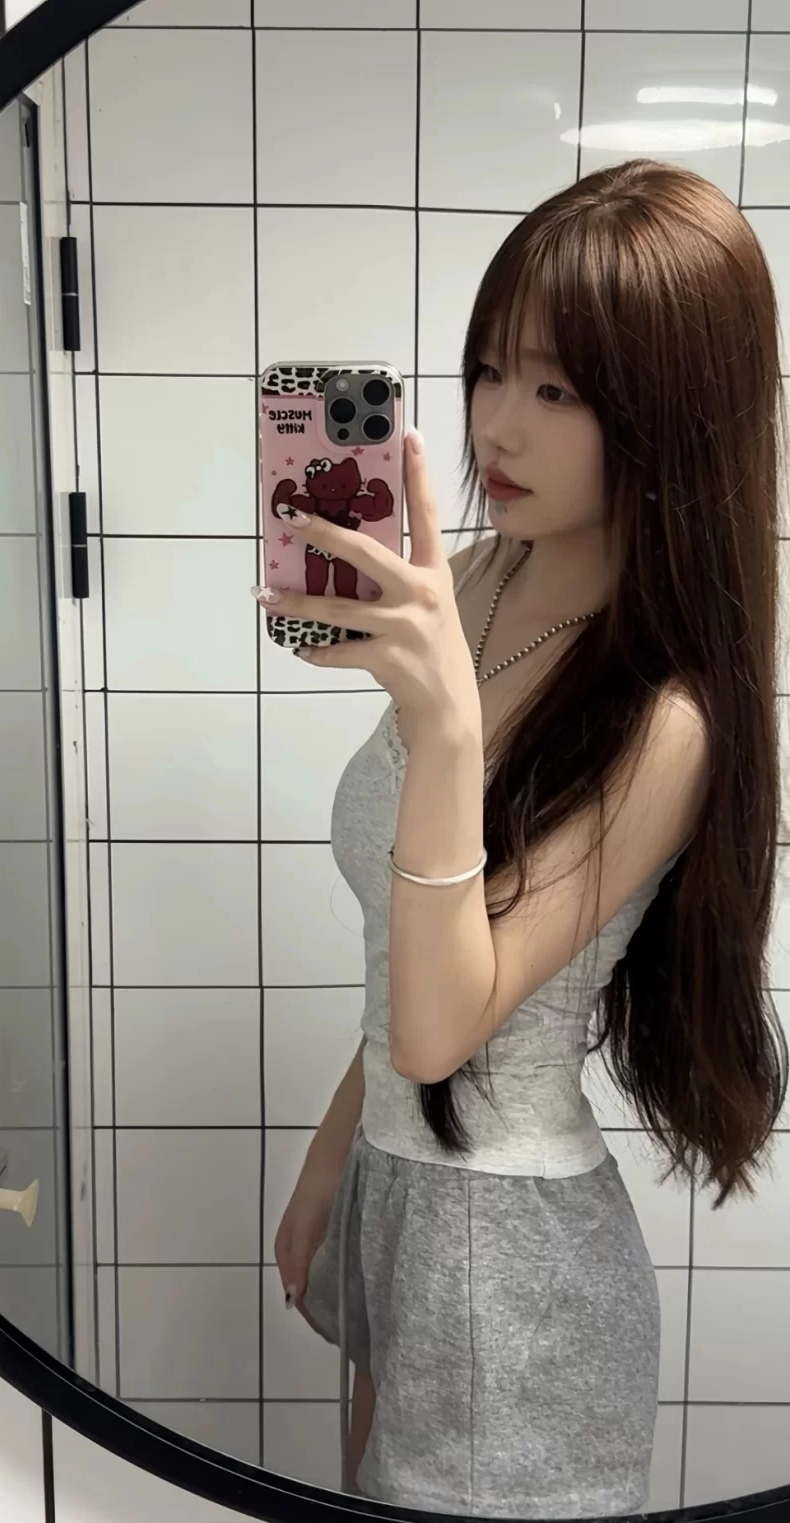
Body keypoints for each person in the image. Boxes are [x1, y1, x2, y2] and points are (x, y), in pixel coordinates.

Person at [259, 158, 789, 1518]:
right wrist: (333, 1162)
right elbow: (410, 957)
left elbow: (450, 1027)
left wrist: (445, 725)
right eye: (491, 368)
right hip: (399, 1195)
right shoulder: (476, 580)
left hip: (507, 1262)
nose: (497, 423)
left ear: (671, 413)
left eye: (559, 391)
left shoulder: (665, 720)